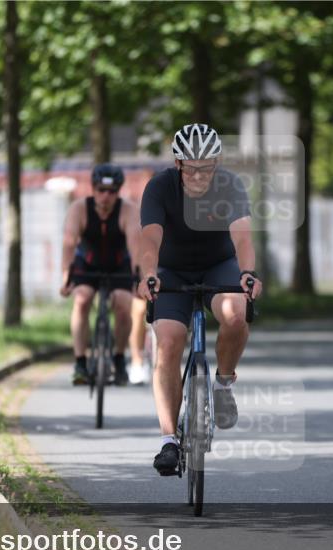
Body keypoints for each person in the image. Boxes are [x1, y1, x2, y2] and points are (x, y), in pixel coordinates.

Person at [135, 123, 264, 476]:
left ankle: (223, 384)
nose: (198, 175)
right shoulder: (159, 188)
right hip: (171, 270)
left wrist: (247, 273)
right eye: (190, 167)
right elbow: (149, 241)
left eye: (206, 167)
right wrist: (148, 275)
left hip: (218, 266)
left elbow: (242, 239)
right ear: (177, 163)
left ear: (217, 163)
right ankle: (168, 441)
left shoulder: (230, 185)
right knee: (169, 341)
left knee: (236, 314)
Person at [60, 164, 140, 386]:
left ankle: (119, 358)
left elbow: (136, 247)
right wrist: (66, 276)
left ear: (119, 191)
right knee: (82, 300)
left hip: (119, 265)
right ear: (93, 189)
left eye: (112, 191)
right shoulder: (79, 209)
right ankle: (80, 362)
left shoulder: (128, 210)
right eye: (100, 190)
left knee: (124, 305)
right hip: (88, 265)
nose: (106, 196)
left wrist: (138, 278)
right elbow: (68, 244)